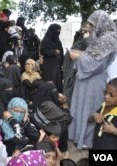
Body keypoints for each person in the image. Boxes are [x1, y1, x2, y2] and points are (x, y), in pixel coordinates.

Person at [68, 10, 117, 150]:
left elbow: (97, 63)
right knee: (81, 107)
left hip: (93, 79)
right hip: (87, 78)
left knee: (90, 109)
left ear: (101, 23)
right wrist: (82, 54)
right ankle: (79, 137)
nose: (91, 27)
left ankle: (87, 140)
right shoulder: (102, 37)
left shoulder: (108, 39)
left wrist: (78, 57)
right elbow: (93, 56)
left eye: (93, 24)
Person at [91, 78, 117, 149]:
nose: (106, 96)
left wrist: (114, 131)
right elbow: (89, 119)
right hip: (96, 145)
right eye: (106, 92)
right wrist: (94, 115)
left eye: (111, 95)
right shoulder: (104, 105)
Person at [40, 23, 63, 93]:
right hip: (48, 65)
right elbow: (43, 51)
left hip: (57, 65)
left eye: (59, 30)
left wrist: (62, 62)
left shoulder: (57, 40)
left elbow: (61, 51)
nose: (59, 31)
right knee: (50, 82)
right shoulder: (46, 40)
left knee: (57, 83)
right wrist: (53, 52)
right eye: (57, 30)